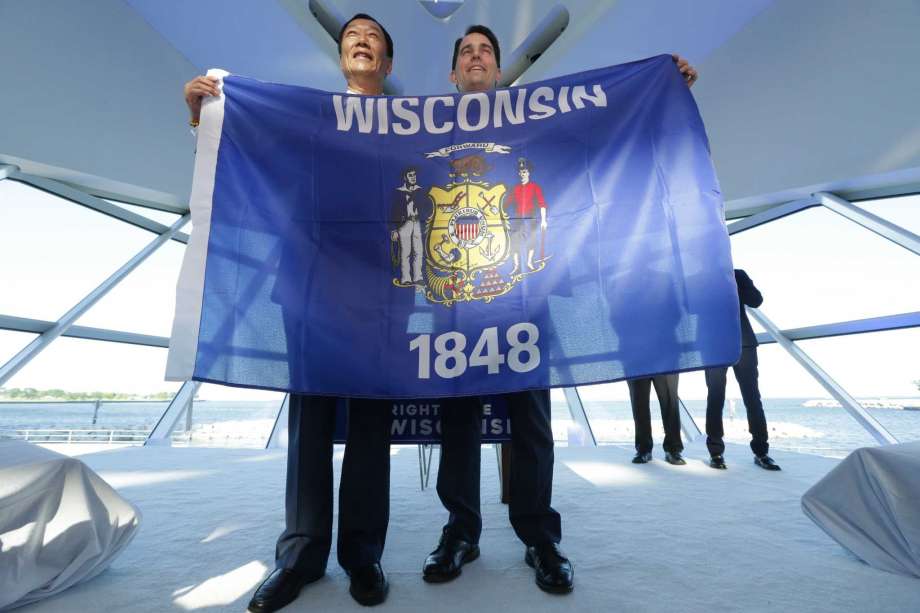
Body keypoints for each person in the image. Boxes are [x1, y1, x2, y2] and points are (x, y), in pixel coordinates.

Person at [183, 14, 396, 611]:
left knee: (372, 430)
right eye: (352, 33)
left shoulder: (413, 124)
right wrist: (207, 117)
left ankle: (363, 555)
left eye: (373, 36)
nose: (360, 39)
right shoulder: (304, 115)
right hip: (308, 286)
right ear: (342, 56)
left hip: (383, 292)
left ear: (386, 62)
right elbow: (251, 156)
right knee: (310, 429)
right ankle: (300, 555)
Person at [704, 269, 781, 471]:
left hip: (743, 344)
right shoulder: (701, 278)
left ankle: (761, 452)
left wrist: (733, 280)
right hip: (714, 346)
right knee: (715, 398)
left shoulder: (737, 274)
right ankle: (716, 453)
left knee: (752, 398)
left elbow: (756, 300)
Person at [627, 374, 685, 465]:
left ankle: (673, 449)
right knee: (639, 401)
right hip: (636, 361)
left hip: (664, 361)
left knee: (670, 400)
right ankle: (643, 449)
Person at [505, 157, 547, 274]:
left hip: (530, 217)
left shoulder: (535, 187)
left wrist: (543, 220)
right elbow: (507, 203)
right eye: (520, 172)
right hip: (517, 218)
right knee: (514, 241)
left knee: (531, 240)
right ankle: (516, 266)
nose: (522, 174)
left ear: (528, 173)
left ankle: (529, 262)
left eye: (524, 172)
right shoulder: (515, 188)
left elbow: (542, 204)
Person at [390, 167, 428, 285]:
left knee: (418, 251)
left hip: (417, 223)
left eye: (414, 175)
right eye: (410, 175)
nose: (413, 177)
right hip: (404, 224)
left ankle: (418, 277)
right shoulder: (398, 192)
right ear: (405, 178)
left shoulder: (420, 191)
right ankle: (406, 278)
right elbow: (393, 212)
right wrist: (394, 229)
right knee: (405, 252)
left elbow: (426, 208)